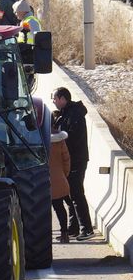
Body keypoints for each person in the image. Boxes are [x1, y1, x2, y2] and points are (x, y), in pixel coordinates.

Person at [51, 87, 94, 241]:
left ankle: (87, 229)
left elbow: (72, 138)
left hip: (77, 160)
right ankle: (73, 229)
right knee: (69, 195)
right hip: (71, 160)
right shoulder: (66, 114)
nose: (54, 102)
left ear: (63, 98)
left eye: (55, 98)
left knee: (76, 194)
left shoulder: (74, 114)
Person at [50, 129, 73, 244]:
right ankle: (64, 233)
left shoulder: (34, 138)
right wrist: (63, 174)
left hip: (41, 179)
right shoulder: (59, 140)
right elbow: (66, 159)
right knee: (59, 207)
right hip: (58, 178)